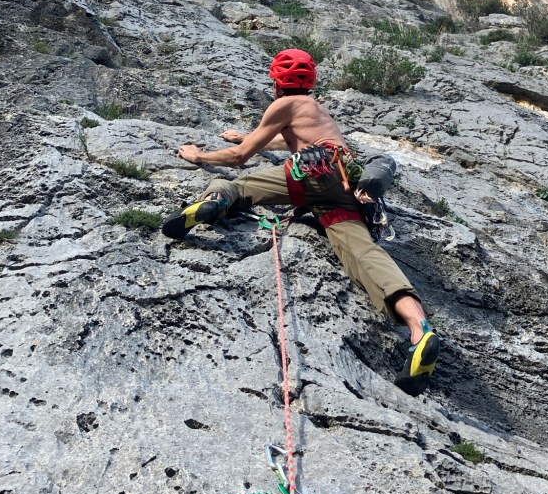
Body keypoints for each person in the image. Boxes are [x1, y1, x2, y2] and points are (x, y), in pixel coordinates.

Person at [164, 48, 440, 396]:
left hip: (310, 172)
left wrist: (198, 155)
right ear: (311, 81)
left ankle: (214, 200)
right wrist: (249, 136)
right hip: (343, 185)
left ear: (276, 82)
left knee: (238, 186)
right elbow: (290, 138)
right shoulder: (316, 109)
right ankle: (419, 328)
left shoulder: (283, 104)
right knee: (364, 253)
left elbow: (239, 158)